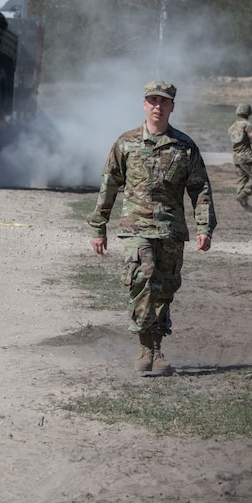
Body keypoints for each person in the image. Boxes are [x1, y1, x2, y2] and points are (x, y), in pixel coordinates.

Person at [87, 81, 217, 376]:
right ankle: (145, 348)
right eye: (152, 101)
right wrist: (98, 226)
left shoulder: (185, 147)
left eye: (164, 101)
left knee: (164, 290)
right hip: (137, 229)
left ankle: (158, 349)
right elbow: (109, 185)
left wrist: (204, 227)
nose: (157, 106)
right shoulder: (126, 143)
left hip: (171, 231)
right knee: (142, 280)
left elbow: (200, 189)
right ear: (144, 104)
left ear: (172, 106)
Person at [228, 103, 252, 210]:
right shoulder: (248, 126)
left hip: (237, 157)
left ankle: (244, 204)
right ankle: (242, 196)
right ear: (249, 113)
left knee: (242, 179)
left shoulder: (232, 127)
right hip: (248, 157)